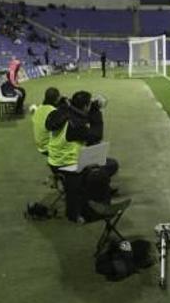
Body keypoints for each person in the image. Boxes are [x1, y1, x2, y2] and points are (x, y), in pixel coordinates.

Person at [46, 91, 119, 222]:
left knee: (100, 161)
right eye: (89, 104)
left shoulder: (63, 114)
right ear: (85, 106)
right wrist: (96, 113)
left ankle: (94, 193)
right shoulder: (76, 125)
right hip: (69, 164)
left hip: (54, 162)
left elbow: (82, 122)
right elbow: (96, 136)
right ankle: (97, 199)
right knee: (110, 165)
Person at [31, 87, 60, 156]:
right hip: (49, 148)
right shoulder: (52, 111)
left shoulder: (39, 109)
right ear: (56, 99)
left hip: (40, 146)